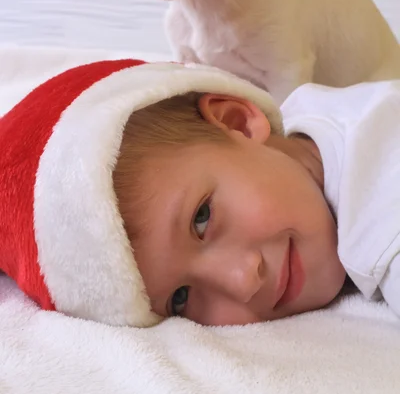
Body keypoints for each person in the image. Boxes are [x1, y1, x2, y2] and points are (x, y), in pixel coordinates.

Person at [0, 58, 398, 328]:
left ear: (238, 121)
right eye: (180, 299)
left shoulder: (382, 215)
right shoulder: (313, 119)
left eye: (202, 218)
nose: (243, 281)